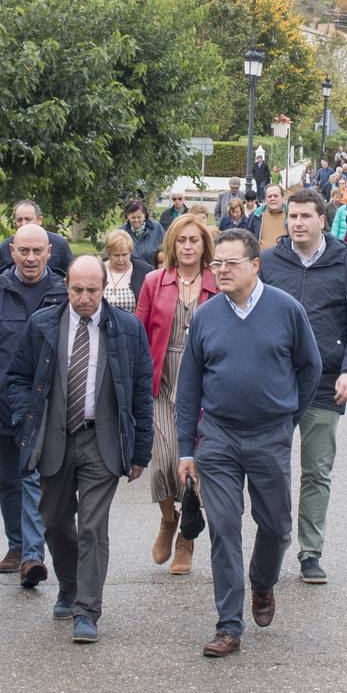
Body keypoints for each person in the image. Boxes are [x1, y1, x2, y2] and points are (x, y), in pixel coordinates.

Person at [180, 229, 322, 656]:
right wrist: (187, 449)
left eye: (230, 263)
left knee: (277, 527)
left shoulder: (286, 310)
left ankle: (263, 582)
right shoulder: (206, 316)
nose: (220, 271)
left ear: (254, 266)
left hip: (269, 435)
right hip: (219, 437)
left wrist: (285, 420)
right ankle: (228, 625)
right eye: (215, 264)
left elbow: (310, 368)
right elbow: (188, 387)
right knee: (223, 528)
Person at [6, 254, 153, 642]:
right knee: (54, 522)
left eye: (92, 290)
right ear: (66, 287)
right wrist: (25, 420)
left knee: (91, 525)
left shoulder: (127, 329)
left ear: (105, 289)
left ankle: (87, 610)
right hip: (55, 436)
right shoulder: (43, 325)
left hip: (100, 439)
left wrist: (141, 451)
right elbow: (18, 378)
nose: (84, 298)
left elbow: (140, 392)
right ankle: (69, 585)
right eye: (76, 290)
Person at [259, 188, 347, 584]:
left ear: (322, 219)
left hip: (326, 383)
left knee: (316, 471)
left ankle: (310, 551)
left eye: (306, 216)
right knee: (269, 468)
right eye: (292, 216)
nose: (297, 223)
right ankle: (272, 541)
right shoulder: (271, 262)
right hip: (275, 383)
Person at [0, 223, 65, 588]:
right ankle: (16, 545)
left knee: (33, 478)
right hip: (0, 403)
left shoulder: (62, 291)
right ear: (11, 251)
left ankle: (32, 555)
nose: (30, 258)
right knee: (7, 481)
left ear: (49, 254)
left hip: (46, 404)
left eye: (37, 252)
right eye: (23, 251)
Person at [135, 215, 221, 574]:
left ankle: (186, 538)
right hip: (163, 379)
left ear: (204, 247)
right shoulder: (155, 282)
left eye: (194, 241)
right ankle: (168, 518)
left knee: (195, 464)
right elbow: (137, 332)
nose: (187, 246)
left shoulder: (217, 283)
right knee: (165, 462)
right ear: (172, 244)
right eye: (181, 240)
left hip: (203, 382)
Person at [0, 199, 72, 276]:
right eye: (19, 220)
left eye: (28, 219)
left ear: (40, 220)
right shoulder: (4, 247)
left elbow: (71, 277)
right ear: (12, 250)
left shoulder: (59, 244)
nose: (23, 224)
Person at [101, 228, 152, 314]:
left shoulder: (145, 271)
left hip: (134, 325)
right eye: (116, 255)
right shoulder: (98, 269)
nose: (121, 260)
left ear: (130, 252)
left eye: (124, 254)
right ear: (108, 253)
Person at [122, 198, 165, 269]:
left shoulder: (157, 228)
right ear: (127, 216)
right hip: (131, 275)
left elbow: (167, 250)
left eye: (139, 217)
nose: (136, 220)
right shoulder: (122, 232)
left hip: (153, 273)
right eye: (133, 217)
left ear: (144, 215)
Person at [254, 183, 288, 251]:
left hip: (285, 259)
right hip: (261, 259)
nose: (272, 198)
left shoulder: (291, 215)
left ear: (282, 197)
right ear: (265, 199)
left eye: (276, 196)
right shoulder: (256, 215)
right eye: (269, 196)